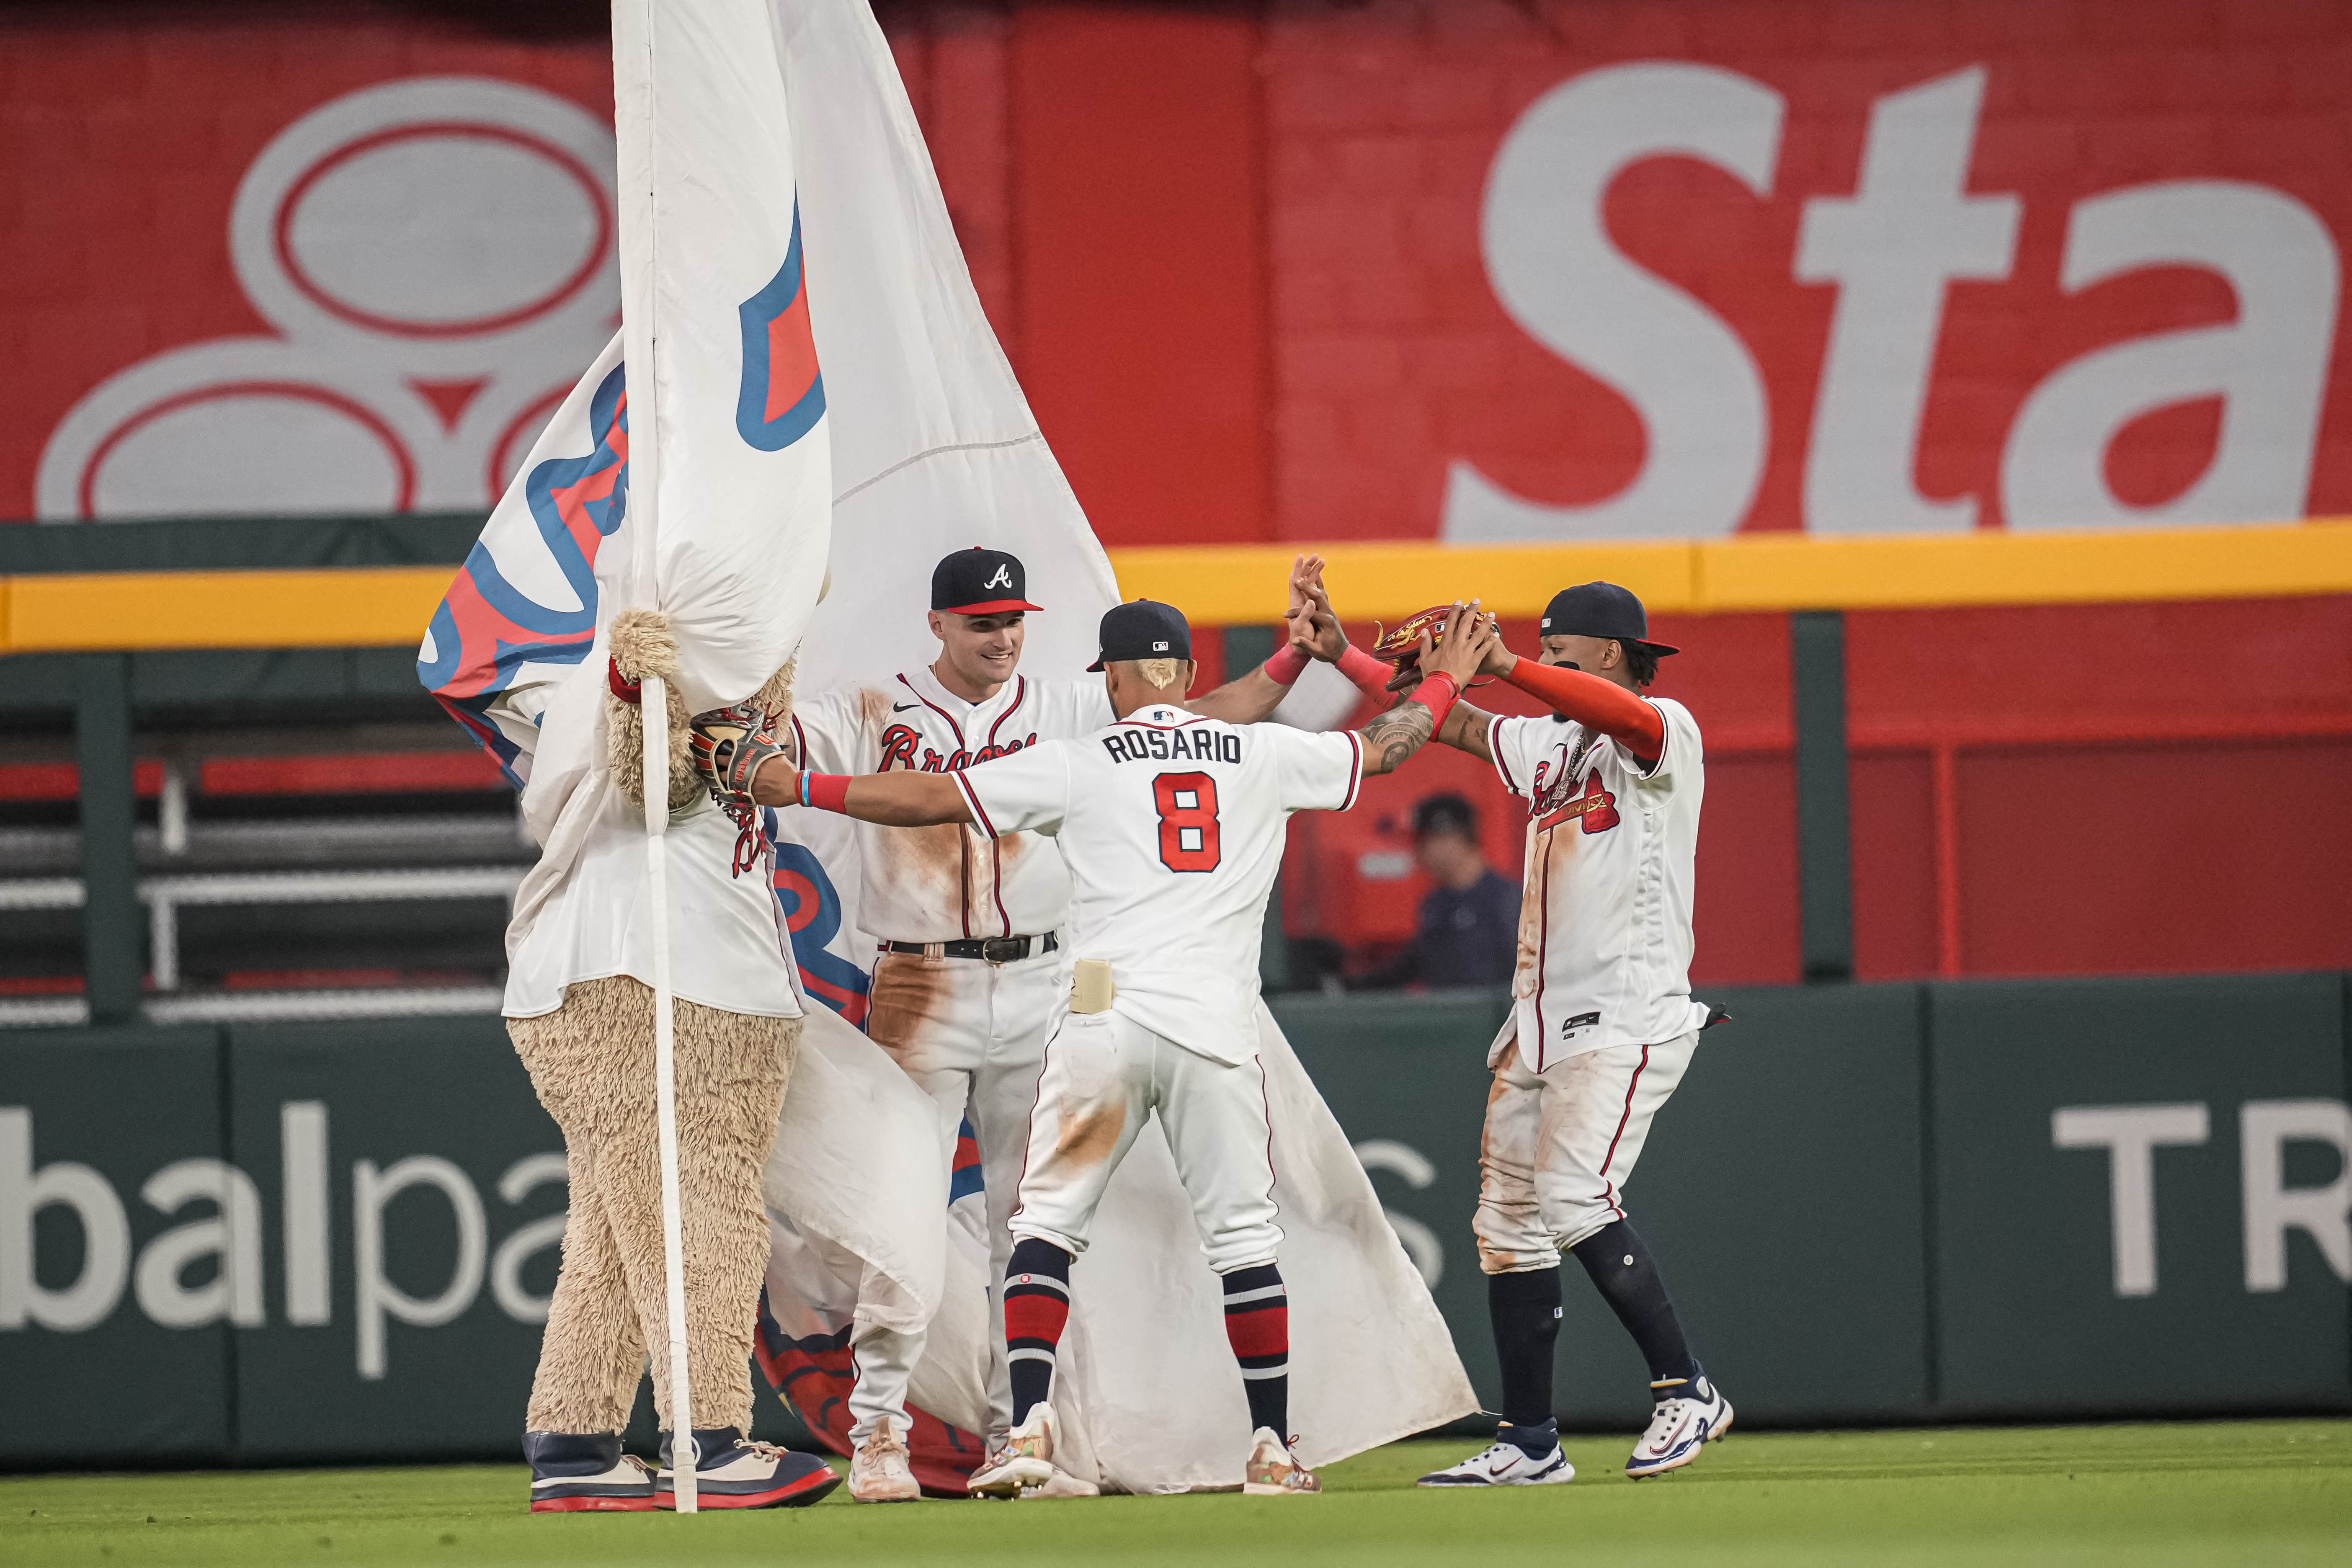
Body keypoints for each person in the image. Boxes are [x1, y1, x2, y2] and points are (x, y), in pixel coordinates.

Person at [708, 597, 1499, 1496]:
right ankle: (1273, 1447)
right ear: (1189, 679)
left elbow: (930, 797)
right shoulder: (1263, 752)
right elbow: (1386, 747)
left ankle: (1029, 1430)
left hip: (1100, 1020)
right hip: (1211, 1032)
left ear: (1112, 679)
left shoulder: (1079, 761)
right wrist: (1445, 680)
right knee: (1243, 1240)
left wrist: (796, 787)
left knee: (1043, 1228)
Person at [776, 547, 1336, 1501]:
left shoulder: (1071, 708)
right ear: (939, 624)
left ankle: (1018, 1436)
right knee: (901, 1216)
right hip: (923, 977)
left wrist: (1290, 661)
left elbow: (1205, 726)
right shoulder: (874, 705)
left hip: (1044, 975)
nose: (1001, 635)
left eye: (1012, 619)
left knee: (1025, 1223)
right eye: (981, 620)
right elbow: (768, 738)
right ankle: (877, 1435)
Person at [1296, 574, 1732, 1486]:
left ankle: (1687, 1388)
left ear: (1609, 653)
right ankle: (1531, 1439)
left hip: (1625, 1013)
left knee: (1575, 1199)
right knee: (1510, 1227)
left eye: (1559, 645)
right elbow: (1448, 720)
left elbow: (1618, 714)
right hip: (1539, 1024)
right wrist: (1344, 657)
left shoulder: (1667, 733)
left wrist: (1507, 664)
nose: (1544, 657)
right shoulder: (1553, 746)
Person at [1353, 793, 1518, 990]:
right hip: (1450, 1018)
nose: (1419, 853)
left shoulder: (1507, 901)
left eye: (1424, 842)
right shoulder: (1436, 905)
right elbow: (1415, 963)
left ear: (1452, 839)